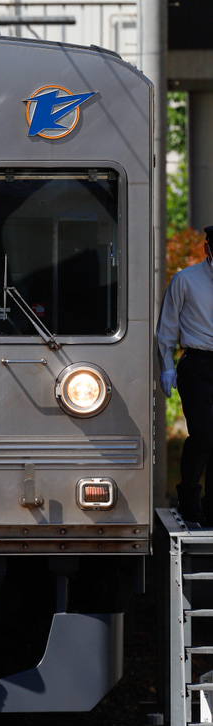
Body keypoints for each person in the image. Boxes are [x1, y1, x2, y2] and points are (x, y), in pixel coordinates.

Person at [157, 225, 213, 524]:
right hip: (198, 363)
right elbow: (166, 327)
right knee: (204, 434)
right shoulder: (185, 280)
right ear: (207, 250)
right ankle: (189, 499)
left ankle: (212, 506)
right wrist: (166, 366)